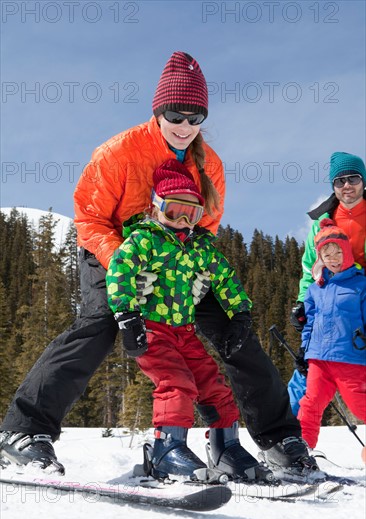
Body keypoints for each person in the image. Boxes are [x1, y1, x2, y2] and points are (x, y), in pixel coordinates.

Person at [0, 51, 316, 479]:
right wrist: (124, 266)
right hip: (114, 248)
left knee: (235, 332)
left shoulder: (211, 166)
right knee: (101, 320)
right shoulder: (119, 152)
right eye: (175, 115)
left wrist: (204, 280)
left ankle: (278, 438)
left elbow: (205, 229)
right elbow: (89, 218)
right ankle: (24, 431)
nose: (185, 126)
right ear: (158, 111)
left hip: (179, 260)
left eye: (195, 117)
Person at [106, 159, 274, 483]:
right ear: (156, 209)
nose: (182, 221)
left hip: (186, 332)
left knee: (216, 388)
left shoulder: (200, 248)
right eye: (173, 211)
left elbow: (226, 277)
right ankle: (166, 451)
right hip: (153, 330)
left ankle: (226, 450)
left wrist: (240, 314)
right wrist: (127, 316)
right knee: (176, 383)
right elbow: (120, 271)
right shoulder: (144, 240)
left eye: (191, 213)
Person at [288, 152, 366, 415]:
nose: (346, 185)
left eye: (353, 178)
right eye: (339, 181)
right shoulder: (322, 222)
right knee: (309, 370)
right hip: (330, 304)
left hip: (361, 300)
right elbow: (310, 267)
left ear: (363, 180)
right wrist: (302, 302)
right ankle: (285, 438)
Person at [295, 219, 366, 449]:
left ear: (346, 252)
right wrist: (304, 351)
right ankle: (302, 452)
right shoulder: (316, 289)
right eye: (327, 254)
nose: (333, 258)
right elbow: (310, 323)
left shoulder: (360, 284)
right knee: (310, 404)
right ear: (320, 258)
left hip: (350, 357)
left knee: (360, 406)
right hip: (319, 359)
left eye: (338, 252)